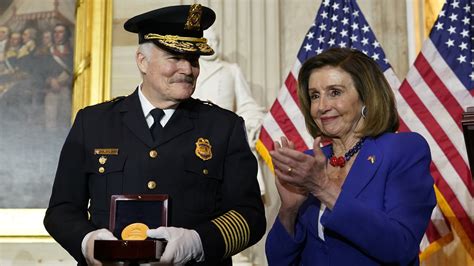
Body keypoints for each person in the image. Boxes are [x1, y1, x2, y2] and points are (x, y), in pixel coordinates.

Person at [44, 4, 265, 266]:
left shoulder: (223, 127)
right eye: (174, 57)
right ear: (142, 61)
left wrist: (198, 242)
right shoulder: (93, 122)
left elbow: (249, 216)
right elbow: (61, 210)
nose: (187, 69)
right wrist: (87, 241)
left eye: (193, 60)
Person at [265, 48, 436, 265]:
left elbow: (400, 246)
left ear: (366, 97)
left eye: (335, 92)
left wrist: (323, 188)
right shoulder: (310, 163)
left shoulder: (402, 150)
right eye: (315, 96)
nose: (321, 106)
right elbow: (278, 261)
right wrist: (289, 210)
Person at [194, 26, 266, 195]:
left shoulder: (231, 70)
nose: (212, 44)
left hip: (225, 136)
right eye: (207, 41)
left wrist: (253, 119)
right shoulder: (192, 70)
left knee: (235, 192)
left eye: (215, 41)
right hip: (196, 137)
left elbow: (246, 104)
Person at [43, 23, 73, 130]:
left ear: (66, 34)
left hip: (68, 91)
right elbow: (39, 73)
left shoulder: (73, 53)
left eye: (61, 32)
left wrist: (67, 81)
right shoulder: (45, 53)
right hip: (51, 91)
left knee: (65, 121)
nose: (57, 35)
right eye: (55, 32)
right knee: (50, 122)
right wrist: (50, 80)